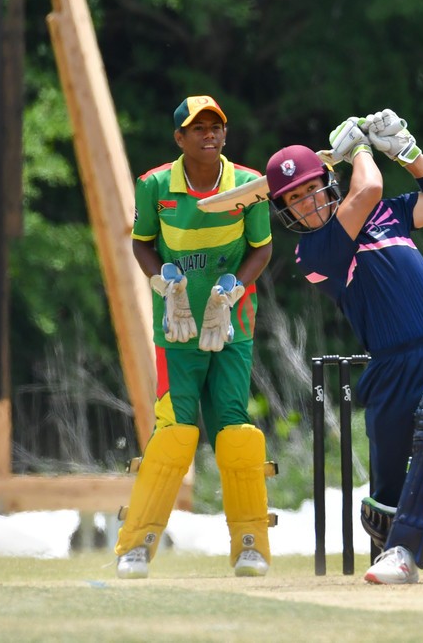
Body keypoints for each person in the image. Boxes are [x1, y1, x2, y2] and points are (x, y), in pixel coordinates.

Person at [264, 109, 423, 584]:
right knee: (388, 493)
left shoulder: (386, 215)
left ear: (328, 180)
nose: (306, 203)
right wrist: (361, 147)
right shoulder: (316, 251)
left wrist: (407, 151)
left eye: (309, 189)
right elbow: (367, 189)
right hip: (392, 367)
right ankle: (387, 539)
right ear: (286, 212)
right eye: (293, 199)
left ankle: (403, 550)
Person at [116, 95, 275, 579]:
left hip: (231, 323)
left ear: (224, 135)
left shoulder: (249, 185)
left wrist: (231, 291)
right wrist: (163, 282)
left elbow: (261, 250)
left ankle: (251, 545)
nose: (209, 135)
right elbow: (142, 241)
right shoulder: (155, 185)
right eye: (197, 128)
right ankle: (136, 546)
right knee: (175, 431)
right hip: (177, 325)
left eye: (216, 127)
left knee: (234, 428)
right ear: (179, 138)